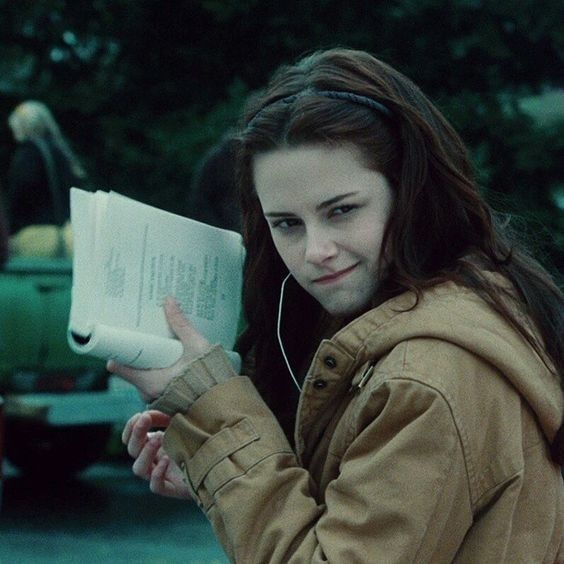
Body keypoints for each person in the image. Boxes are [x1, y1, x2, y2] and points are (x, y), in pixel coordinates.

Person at [111, 48, 563, 562]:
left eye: (342, 211)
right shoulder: (456, 299)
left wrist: (208, 408)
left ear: (410, 191)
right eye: (287, 223)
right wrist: (218, 471)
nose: (315, 251)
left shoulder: (426, 378)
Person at [7, 100, 86, 235]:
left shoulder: (29, 154)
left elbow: (20, 194)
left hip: (36, 231)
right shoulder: (61, 150)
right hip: (67, 231)